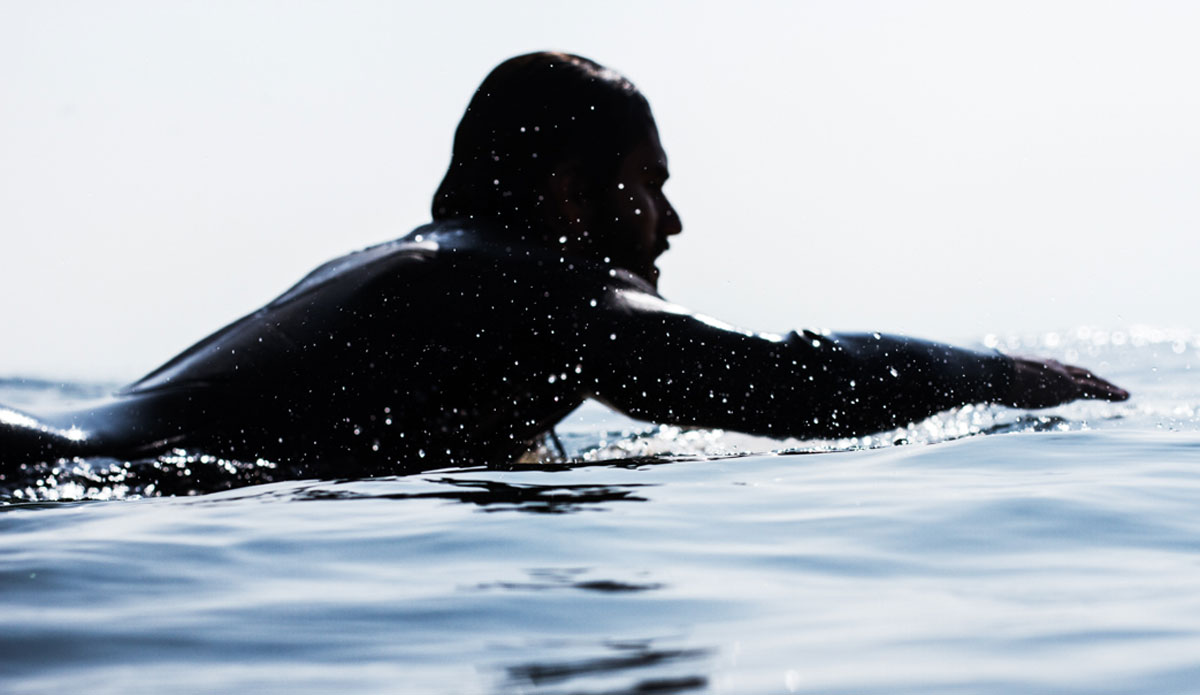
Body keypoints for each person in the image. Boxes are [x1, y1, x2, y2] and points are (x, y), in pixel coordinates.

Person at [0, 52, 1128, 479]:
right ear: (571, 196)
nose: (672, 224)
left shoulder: (416, 271)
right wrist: (1007, 377)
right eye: (650, 183)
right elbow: (791, 384)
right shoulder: (526, 283)